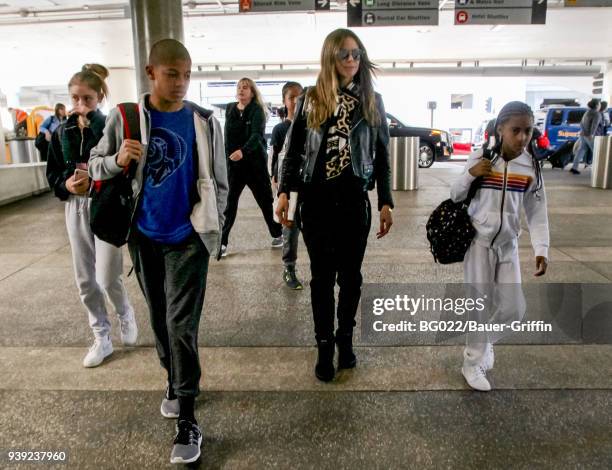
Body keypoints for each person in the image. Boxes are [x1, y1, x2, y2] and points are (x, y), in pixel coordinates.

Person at [89, 39, 228, 465]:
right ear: (151, 73)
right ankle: (173, 377)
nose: (181, 82)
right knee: (159, 322)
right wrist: (116, 160)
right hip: (143, 237)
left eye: (187, 74)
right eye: (172, 74)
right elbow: (94, 165)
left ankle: (187, 416)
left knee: (180, 325)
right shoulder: (127, 117)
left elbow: (220, 183)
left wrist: (212, 228)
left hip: (188, 239)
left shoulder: (204, 122)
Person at [276, 29, 394, 382]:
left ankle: (346, 338)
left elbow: (383, 157)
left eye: (356, 54)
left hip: (354, 200)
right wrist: (284, 191)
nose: (351, 60)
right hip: (316, 201)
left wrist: (386, 201)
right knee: (322, 278)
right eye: (343, 54)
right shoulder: (311, 99)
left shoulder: (372, 101)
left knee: (352, 277)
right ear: (330, 58)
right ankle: (324, 345)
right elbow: (293, 149)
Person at [450, 101, 550, 392]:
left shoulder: (531, 167)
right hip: (479, 244)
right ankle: (472, 361)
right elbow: (455, 195)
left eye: (527, 131)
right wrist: (471, 174)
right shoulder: (482, 158)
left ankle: (485, 342)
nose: (522, 137)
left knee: (514, 309)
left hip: (509, 246)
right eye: (515, 130)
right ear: (500, 129)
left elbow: (537, 212)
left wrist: (542, 248)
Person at [46, 64, 137, 368]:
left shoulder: (108, 125)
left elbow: (120, 166)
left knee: (108, 275)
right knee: (86, 279)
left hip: (106, 204)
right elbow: (54, 174)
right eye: (74, 98)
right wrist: (66, 185)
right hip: (76, 205)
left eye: (86, 99)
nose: (80, 105)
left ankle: (125, 313)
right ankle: (102, 336)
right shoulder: (63, 132)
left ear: (99, 97)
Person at [220, 77, 283, 256]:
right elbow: (227, 137)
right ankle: (222, 243)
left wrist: (243, 151)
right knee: (229, 204)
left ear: (252, 92)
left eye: (245, 87)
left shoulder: (257, 110)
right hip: (235, 166)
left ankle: (277, 234)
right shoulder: (230, 108)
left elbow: (256, 136)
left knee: (265, 201)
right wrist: (227, 161)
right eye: (239, 87)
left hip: (255, 165)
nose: (241, 90)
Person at [270, 81, 305, 289]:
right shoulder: (280, 129)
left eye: (300, 97)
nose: (296, 100)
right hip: (288, 186)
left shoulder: (311, 126)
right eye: (291, 97)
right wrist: (276, 182)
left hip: (307, 186)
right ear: (284, 101)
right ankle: (289, 268)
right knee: (289, 229)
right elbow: (275, 158)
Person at [570, 98, 601, 175]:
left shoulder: (587, 112)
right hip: (589, 135)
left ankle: (574, 167)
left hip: (583, 134)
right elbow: (594, 125)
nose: (600, 105)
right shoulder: (597, 114)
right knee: (596, 152)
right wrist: (591, 134)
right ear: (597, 105)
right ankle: (599, 170)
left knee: (581, 150)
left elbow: (581, 123)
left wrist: (584, 132)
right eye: (599, 104)